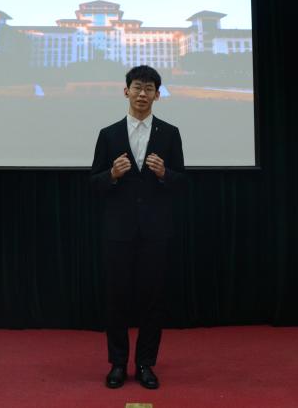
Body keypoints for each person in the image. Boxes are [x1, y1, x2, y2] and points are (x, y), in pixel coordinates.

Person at [90, 65, 186, 390]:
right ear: (126, 91)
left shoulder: (170, 133)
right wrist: (112, 175)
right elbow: (94, 183)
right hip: (118, 232)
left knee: (152, 300)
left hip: (156, 232)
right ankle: (117, 364)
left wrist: (165, 174)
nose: (142, 94)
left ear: (157, 95)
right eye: (137, 87)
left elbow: (182, 182)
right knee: (116, 299)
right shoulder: (108, 134)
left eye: (149, 89)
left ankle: (146, 364)